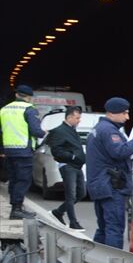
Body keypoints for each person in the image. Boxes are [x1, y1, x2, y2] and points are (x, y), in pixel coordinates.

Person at [85, 98, 133, 248]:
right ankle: (114, 262)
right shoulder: (109, 130)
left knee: (104, 228)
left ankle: (96, 257)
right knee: (114, 229)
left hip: (101, 186)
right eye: (124, 113)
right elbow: (119, 151)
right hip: (111, 187)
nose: (127, 117)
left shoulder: (99, 128)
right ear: (112, 113)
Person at [1, 84, 46, 219]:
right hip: (23, 150)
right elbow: (36, 131)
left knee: (14, 179)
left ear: (16, 95)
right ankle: (17, 209)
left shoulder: (4, 109)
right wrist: (44, 132)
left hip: (8, 150)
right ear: (29, 97)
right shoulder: (29, 109)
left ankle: (15, 207)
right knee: (23, 180)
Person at [46, 106, 86, 229]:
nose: (79, 120)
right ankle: (73, 223)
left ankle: (58, 212)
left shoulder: (72, 130)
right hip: (68, 166)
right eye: (77, 118)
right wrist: (72, 157)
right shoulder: (59, 131)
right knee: (71, 195)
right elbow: (56, 150)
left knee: (81, 193)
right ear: (69, 117)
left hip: (77, 166)